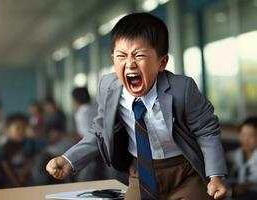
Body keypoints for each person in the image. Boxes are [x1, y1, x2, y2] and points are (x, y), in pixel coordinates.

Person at [46, 13, 227, 200]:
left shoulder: (182, 88)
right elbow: (99, 131)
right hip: (141, 172)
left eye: (139, 55)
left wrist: (216, 177)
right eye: (121, 56)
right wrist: (68, 159)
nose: (130, 64)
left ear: (161, 62)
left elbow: (207, 131)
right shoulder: (107, 87)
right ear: (112, 58)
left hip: (185, 172)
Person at [0, 113, 36, 188]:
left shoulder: (29, 143)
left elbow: (32, 160)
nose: (21, 131)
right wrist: (16, 183)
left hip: (23, 176)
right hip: (7, 178)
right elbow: (6, 167)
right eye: (18, 128)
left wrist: (22, 174)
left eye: (24, 128)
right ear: (8, 130)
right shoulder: (6, 147)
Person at [226, 117, 257, 200]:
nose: (245, 139)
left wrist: (232, 192)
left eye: (251, 136)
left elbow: (248, 184)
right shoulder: (238, 153)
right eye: (243, 135)